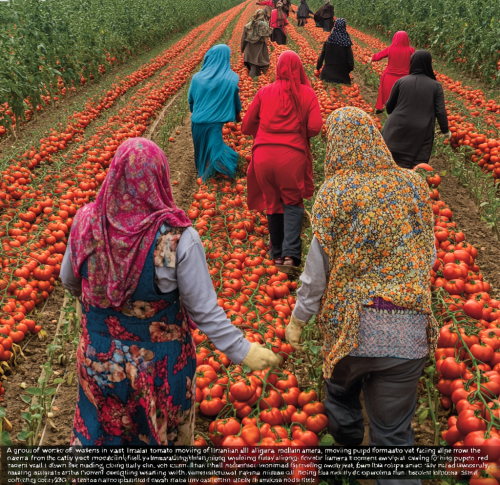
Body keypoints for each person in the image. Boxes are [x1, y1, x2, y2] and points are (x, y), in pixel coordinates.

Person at [61, 138, 281, 446]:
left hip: (99, 358)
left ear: (115, 173)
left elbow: (69, 280)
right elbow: (202, 309)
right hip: (158, 368)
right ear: (160, 177)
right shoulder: (177, 238)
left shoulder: (86, 222)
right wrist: (242, 350)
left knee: (104, 438)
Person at [285, 107, 437, 478]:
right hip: (408, 327)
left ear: (336, 146)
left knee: (341, 392)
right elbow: (428, 252)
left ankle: (347, 451)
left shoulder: (334, 194)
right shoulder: (413, 185)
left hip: (354, 328)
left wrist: (298, 320)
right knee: (393, 435)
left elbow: (315, 275)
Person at [242, 51, 322, 268]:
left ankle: (276, 255)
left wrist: (265, 131)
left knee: (273, 202)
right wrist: (299, 132)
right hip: (291, 157)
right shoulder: (307, 94)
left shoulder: (264, 92)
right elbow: (315, 126)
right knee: (292, 201)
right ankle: (290, 256)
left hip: (263, 158)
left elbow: (246, 126)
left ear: (277, 68)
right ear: (299, 69)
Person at [382, 50, 451, 169]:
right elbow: (440, 111)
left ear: (412, 63)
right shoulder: (435, 86)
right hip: (421, 131)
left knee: (388, 163)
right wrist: (445, 130)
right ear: (428, 64)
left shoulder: (401, 81)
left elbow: (389, 108)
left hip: (396, 127)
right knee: (415, 169)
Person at [188, 44, 241, 182]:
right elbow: (236, 101)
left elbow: (191, 100)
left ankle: (207, 172)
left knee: (203, 148)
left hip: (197, 121)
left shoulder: (196, 78)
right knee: (216, 150)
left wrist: (196, 111)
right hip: (214, 123)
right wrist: (237, 115)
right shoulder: (232, 78)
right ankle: (213, 175)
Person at [370, 31, 415, 114]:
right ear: (406, 39)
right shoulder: (411, 50)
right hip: (405, 78)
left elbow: (379, 55)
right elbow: (417, 61)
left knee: (386, 93)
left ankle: (381, 108)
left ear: (395, 39)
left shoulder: (390, 49)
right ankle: (403, 111)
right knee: (402, 96)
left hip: (389, 77)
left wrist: (372, 58)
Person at [316, 18, 354, 85]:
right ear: (344, 27)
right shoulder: (346, 43)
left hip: (326, 76)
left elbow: (321, 59)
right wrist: (346, 71)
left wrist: (318, 68)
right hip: (342, 77)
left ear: (335, 26)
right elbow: (351, 62)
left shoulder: (328, 42)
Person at [241, 9, 273, 78]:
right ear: (263, 16)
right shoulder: (265, 25)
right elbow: (270, 34)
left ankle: (251, 82)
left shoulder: (248, 25)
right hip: (260, 48)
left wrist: (242, 49)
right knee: (258, 65)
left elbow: (243, 39)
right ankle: (255, 82)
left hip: (249, 48)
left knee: (253, 65)